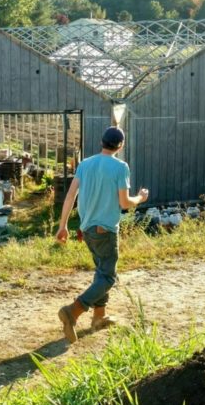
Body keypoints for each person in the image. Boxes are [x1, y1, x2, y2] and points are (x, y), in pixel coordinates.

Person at [55, 126, 148, 344]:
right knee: (108, 277)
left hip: (87, 230)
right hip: (105, 230)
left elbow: (70, 196)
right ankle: (73, 311)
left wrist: (63, 226)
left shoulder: (85, 164)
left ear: (101, 142)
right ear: (121, 145)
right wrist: (141, 198)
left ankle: (99, 317)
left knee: (101, 272)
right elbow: (124, 203)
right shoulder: (120, 167)